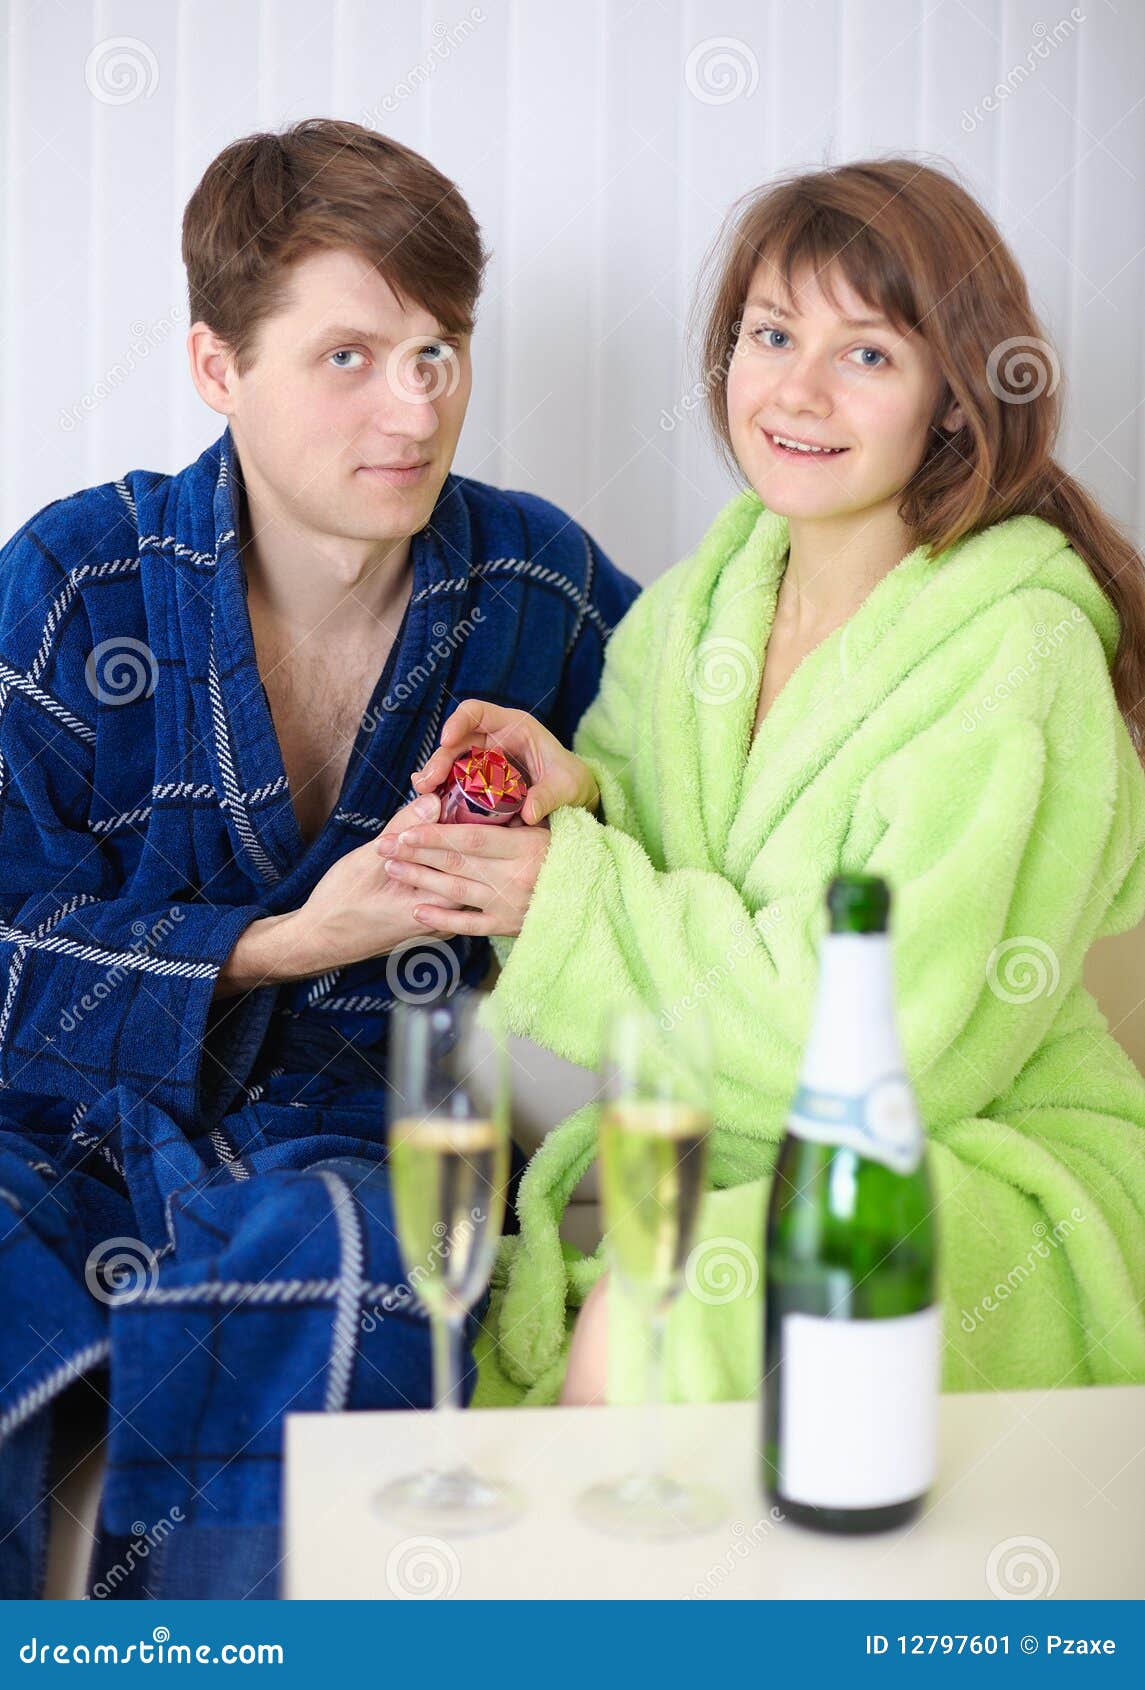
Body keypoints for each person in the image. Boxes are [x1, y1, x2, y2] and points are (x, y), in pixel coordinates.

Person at [0, 117, 638, 1597]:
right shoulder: (74, 580)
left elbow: (712, 791)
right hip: (49, 1118)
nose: (413, 409)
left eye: (439, 350)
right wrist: (285, 936)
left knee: (357, 1251)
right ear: (219, 368)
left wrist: (589, 785)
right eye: (348, 356)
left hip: (345, 1129)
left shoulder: (530, 587)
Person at [391, 158, 1145, 1409]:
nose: (795, 387)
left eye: (865, 354)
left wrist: (567, 896)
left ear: (951, 400)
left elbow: (889, 1048)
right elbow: (692, 855)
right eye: (770, 333)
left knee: (654, 1320)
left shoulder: (1017, 653)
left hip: (964, 1166)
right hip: (730, 1161)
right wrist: (577, 795)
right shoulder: (698, 611)